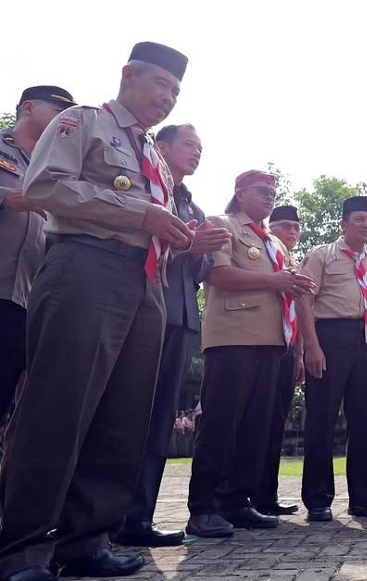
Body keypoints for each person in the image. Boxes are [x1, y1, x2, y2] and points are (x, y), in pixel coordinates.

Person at [1, 43, 194, 581]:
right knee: (58, 407)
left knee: (122, 416)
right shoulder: (83, 121)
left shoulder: (154, 154)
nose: (167, 97)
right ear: (129, 75)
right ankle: (22, 549)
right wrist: (141, 211)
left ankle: (86, 541)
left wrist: (183, 236)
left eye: (176, 91)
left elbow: (156, 222)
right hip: (85, 266)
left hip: (145, 280)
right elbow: (42, 186)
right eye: (160, 83)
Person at [117, 124, 230, 548]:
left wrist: (199, 250)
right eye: (189, 145)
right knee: (123, 412)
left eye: (201, 148)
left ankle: (138, 518)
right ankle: (96, 518)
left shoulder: (193, 207)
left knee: (160, 418)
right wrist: (187, 245)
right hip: (140, 307)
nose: (197, 153)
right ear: (159, 147)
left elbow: (202, 273)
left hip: (181, 317)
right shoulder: (142, 187)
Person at [186, 171, 315, 538]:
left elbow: (285, 288)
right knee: (221, 423)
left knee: (255, 427)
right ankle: (203, 506)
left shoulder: (274, 241)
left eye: (274, 192)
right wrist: (277, 281)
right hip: (233, 337)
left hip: (272, 341)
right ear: (240, 193)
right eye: (262, 191)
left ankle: (238, 501)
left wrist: (293, 285)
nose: (269, 197)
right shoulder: (221, 224)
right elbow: (219, 275)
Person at [297, 195, 367, 521]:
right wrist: (311, 347)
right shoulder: (322, 256)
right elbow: (304, 302)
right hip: (330, 337)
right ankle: (318, 499)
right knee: (321, 419)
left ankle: (364, 497)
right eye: (360, 220)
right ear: (343, 224)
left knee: (364, 421)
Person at [0, 86, 76, 428]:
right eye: (58, 109)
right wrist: (6, 197)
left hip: (26, 300)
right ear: (28, 107)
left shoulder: (55, 168)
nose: (64, 119)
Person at [255, 204, 306, 516]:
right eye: (285, 225)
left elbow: (298, 313)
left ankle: (266, 496)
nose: (291, 232)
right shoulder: (262, 255)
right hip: (259, 343)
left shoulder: (295, 264)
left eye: (296, 227)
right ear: (271, 227)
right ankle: (240, 495)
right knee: (255, 421)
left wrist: (299, 354)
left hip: (287, 348)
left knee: (276, 423)